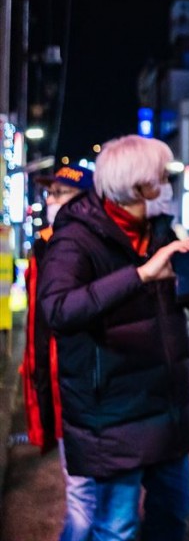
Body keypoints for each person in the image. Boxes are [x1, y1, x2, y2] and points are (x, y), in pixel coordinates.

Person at [39, 137, 189, 541]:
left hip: (167, 409)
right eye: (161, 178)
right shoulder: (75, 237)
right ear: (137, 187)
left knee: (172, 516)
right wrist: (138, 276)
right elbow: (57, 309)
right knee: (116, 529)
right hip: (111, 417)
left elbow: (182, 293)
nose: (168, 186)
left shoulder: (157, 228)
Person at [20, 163, 92, 541]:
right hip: (59, 379)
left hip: (79, 385)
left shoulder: (78, 243)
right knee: (85, 497)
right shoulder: (47, 243)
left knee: (86, 501)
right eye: (49, 193)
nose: (50, 200)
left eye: (60, 193)